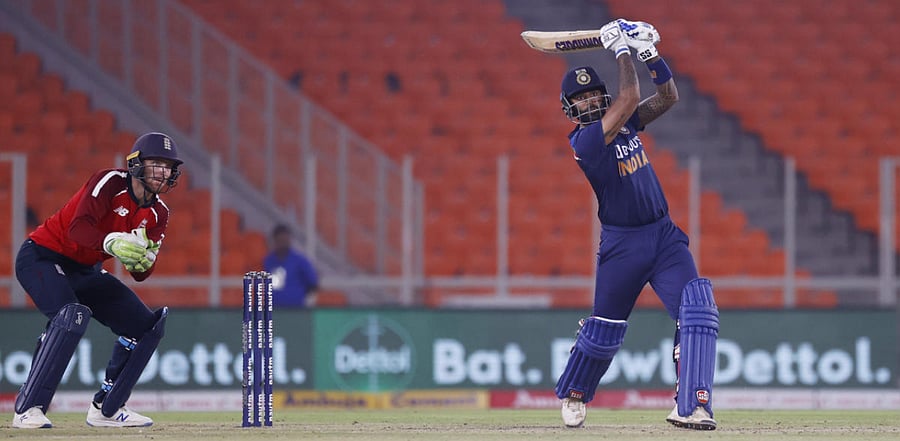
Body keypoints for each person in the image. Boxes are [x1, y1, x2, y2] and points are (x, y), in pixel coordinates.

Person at [552, 20, 719, 430]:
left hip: (663, 237)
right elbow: (628, 97)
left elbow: (667, 97)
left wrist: (649, 53)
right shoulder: (585, 142)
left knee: (697, 310)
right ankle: (576, 392)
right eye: (581, 98)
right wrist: (619, 49)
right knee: (603, 331)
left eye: (594, 95)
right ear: (570, 108)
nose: (590, 103)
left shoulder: (624, 121)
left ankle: (692, 404)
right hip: (622, 245)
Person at [12, 132, 183, 429]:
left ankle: (108, 408)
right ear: (136, 164)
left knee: (146, 328)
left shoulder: (159, 213)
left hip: (86, 269)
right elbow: (78, 230)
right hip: (42, 256)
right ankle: (28, 408)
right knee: (70, 316)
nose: (163, 172)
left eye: (168, 166)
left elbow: (141, 276)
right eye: (156, 163)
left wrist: (142, 260)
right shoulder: (110, 182)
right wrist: (112, 243)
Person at [263, 223, 319, 308]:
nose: (283, 244)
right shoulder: (269, 261)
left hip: (295, 310)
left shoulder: (300, 261)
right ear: (275, 241)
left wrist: (297, 294)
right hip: (274, 310)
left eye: (286, 241)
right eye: (280, 241)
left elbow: (313, 282)